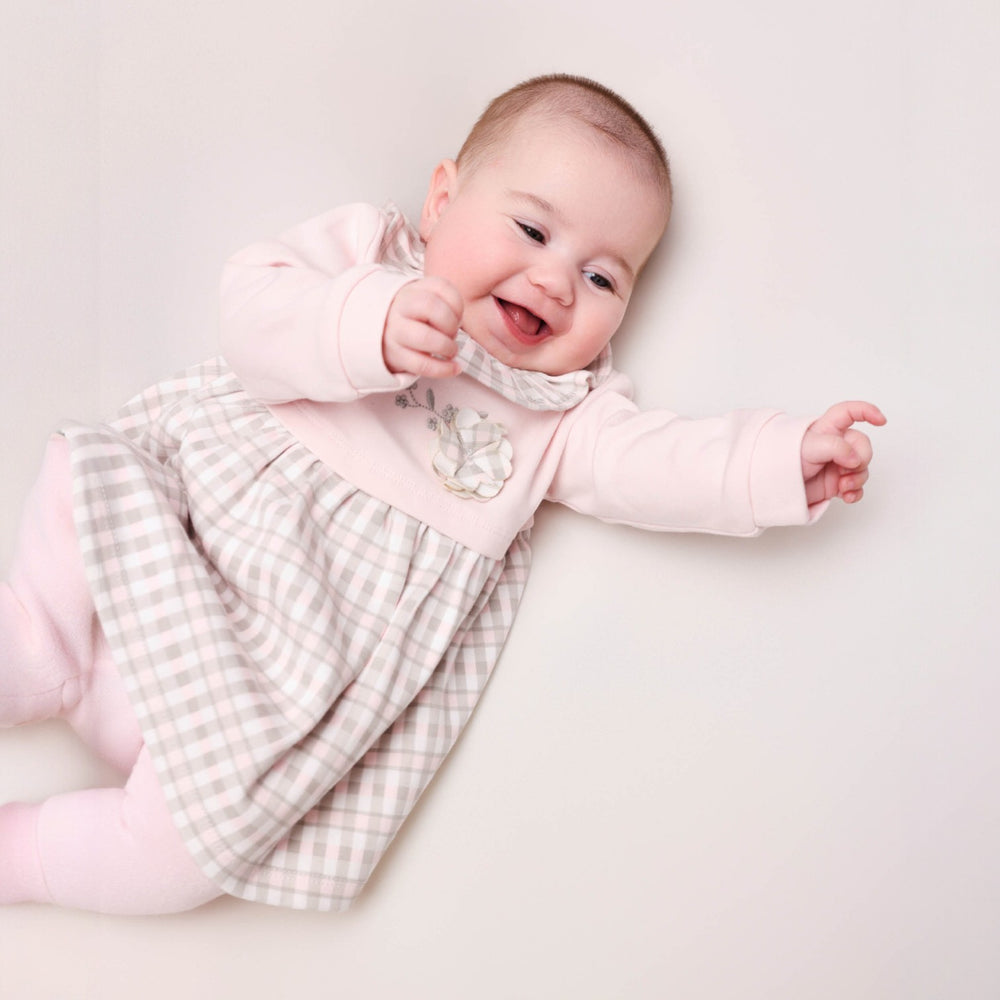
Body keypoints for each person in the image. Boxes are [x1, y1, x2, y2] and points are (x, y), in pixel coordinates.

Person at [0, 74, 884, 915]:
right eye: (534, 232)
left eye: (604, 277)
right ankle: (45, 652)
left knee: (190, 858)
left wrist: (776, 461)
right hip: (169, 539)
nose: (555, 280)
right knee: (67, 543)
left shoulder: (564, 414)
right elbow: (251, 311)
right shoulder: (370, 258)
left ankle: (24, 855)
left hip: (263, 701)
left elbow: (660, 463)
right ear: (442, 201)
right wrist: (366, 323)